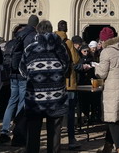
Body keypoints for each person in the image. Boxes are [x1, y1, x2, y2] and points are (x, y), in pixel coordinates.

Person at [19, 19, 69, 153]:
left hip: (35, 97)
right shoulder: (61, 47)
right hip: (56, 96)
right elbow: (66, 66)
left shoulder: (30, 48)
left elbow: (22, 70)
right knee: (55, 131)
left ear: (37, 31)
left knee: (33, 131)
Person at [2, 15, 39, 146]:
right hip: (24, 74)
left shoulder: (19, 33)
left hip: (13, 73)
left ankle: (4, 130)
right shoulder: (33, 36)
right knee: (22, 103)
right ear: (36, 25)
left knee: (12, 101)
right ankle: (17, 130)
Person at [95, 27, 119, 153]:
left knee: (112, 119)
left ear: (104, 40)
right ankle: (108, 147)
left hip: (113, 89)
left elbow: (102, 73)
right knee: (115, 117)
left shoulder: (106, 52)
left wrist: (96, 68)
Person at [55, 20, 82, 151]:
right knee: (70, 113)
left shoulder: (52, 41)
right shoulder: (68, 42)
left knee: (56, 113)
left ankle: (55, 141)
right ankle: (71, 140)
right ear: (66, 29)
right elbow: (76, 60)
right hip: (69, 83)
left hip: (55, 82)